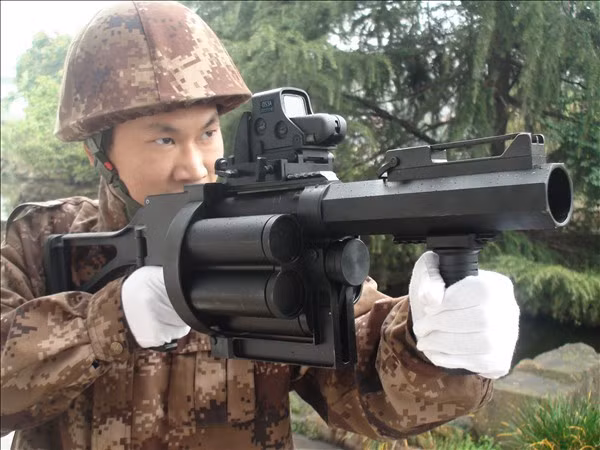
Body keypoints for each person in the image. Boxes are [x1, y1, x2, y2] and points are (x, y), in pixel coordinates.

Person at [0, 1, 520, 449]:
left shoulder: (271, 234)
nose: (195, 166)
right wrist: (110, 319)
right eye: (164, 139)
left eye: (207, 133)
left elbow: (366, 378)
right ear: (100, 153)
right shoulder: (36, 241)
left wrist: (436, 345)